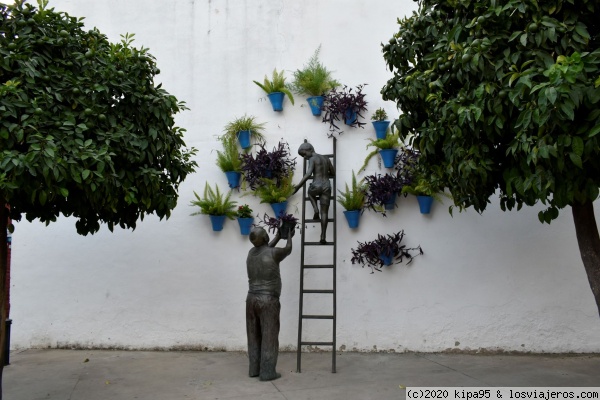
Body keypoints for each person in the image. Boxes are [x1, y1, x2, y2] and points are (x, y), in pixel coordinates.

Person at [245, 226, 294, 381]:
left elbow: (265, 249)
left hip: (251, 299)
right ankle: (267, 372)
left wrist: (278, 236)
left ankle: (254, 369)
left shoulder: (251, 253)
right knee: (269, 335)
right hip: (268, 300)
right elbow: (288, 249)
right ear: (265, 237)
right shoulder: (274, 253)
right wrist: (289, 236)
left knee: (253, 335)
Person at [293, 140, 335, 244]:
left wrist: (298, 187)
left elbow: (308, 174)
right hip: (327, 186)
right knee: (324, 212)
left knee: (309, 193)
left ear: (309, 150)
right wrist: (325, 172)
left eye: (304, 154)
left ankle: (315, 209)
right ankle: (323, 235)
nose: (304, 157)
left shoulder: (312, 159)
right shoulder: (326, 158)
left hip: (316, 185)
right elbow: (333, 173)